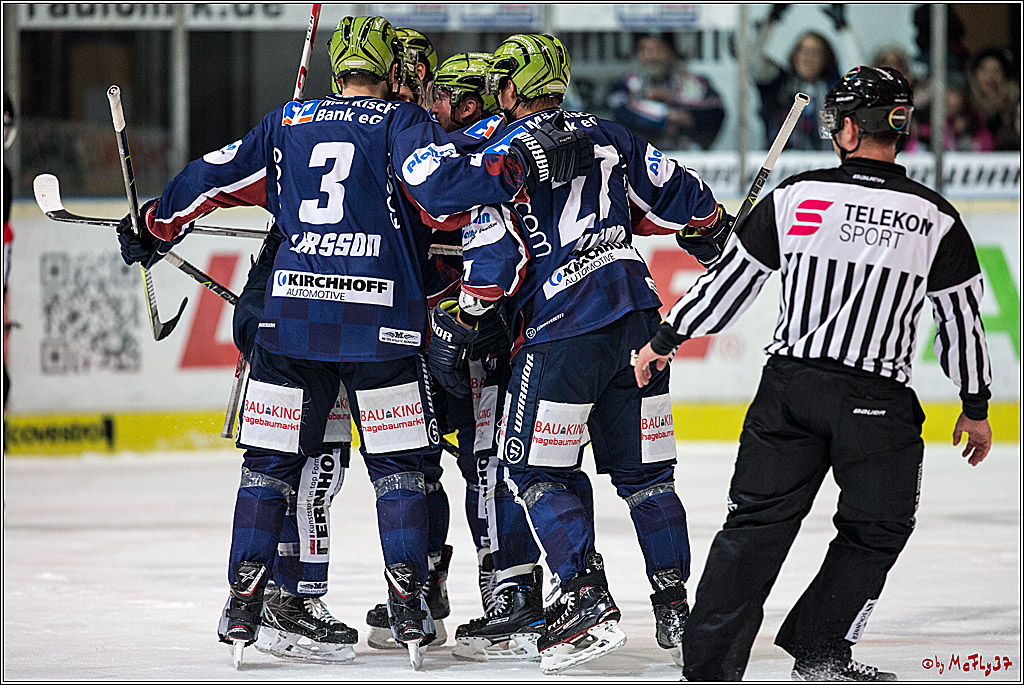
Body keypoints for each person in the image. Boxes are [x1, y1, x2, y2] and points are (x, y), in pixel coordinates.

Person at [114, 15, 586, 669]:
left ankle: (245, 603)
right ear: (392, 72)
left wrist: (155, 225)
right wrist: (515, 171)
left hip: (291, 324)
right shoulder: (402, 123)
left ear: (338, 71)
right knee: (400, 470)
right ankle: (411, 608)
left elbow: (209, 176)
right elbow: (445, 195)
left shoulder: (287, 121)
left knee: (268, 467)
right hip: (380, 329)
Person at [635, 66, 994, 681]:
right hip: (877, 405)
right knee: (877, 529)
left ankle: (709, 670)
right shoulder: (936, 217)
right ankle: (823, 648)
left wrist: (665, 338)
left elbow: (728, 286)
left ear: (850, 129)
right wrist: (976, 404)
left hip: (789, 394)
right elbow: (962, 323)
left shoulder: (796, 196)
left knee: (752, 529)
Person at [405, 32, 731, 673]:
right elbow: (686, 199)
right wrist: (710, 228)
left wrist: (467, 310)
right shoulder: (614, 135)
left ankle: (584, 597)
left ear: (508, 90)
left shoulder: (505, 153)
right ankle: (673, 608)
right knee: (648, 476)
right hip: (638, 319)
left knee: (531, 470)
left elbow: (492, 259)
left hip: (561, 328)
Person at [754, 5, 855, 151]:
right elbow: (755, 64)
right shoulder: (779, 83)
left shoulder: (834, 88)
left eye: (815, 52)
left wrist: (844, 29)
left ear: (826, 58)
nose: (808, 57)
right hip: (781, 165)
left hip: (825, 164)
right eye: (803, 50)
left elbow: (859, 73)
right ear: (794, 55)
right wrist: (771, 21)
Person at [608, 32, 724, 151]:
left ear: (671, 51)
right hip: (641, 157)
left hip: (687, 156)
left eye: (657, 49)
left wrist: (675, 101)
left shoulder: (695, 82)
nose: (651, 57)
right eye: (644, 50)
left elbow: (715, 112)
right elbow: (621, 112)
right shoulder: (626, 83)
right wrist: (667, 115)